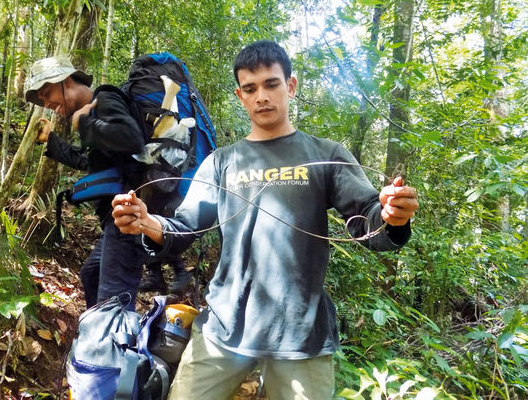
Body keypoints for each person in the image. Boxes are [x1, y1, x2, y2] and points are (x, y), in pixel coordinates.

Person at [111, 40, 419, 398]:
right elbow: (185, 227)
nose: (262, 97)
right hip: (225, 327)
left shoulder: (325, 154)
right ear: (240, 95)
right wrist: (148, 222)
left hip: (301, 332)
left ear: (290, 85)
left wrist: (392, 216)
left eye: (272, 84)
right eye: (251, 88)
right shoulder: (221, 162)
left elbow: (367, 221)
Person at [23, 55, 190, 309]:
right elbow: (91, 161)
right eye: (43, 100)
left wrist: (84, 123)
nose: (47, 104)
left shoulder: (104, 98)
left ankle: (110, 344)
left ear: (66, 82)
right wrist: (53, 141)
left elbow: (131, 138)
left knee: (114, 306)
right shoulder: (94, 113)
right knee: (90, 275)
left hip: (129, 218)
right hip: (117, 222)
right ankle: (97, 337)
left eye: (47, 94)